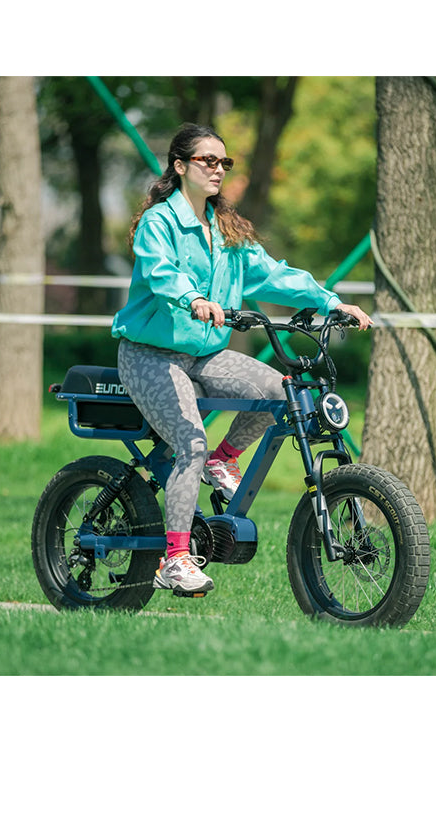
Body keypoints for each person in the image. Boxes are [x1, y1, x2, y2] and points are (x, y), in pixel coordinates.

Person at [112, 123, 372, 597]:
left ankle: (224, 459)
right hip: (149, 355)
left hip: (205, 354)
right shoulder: (159, 224)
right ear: (180, 166)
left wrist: (331, 302)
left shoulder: (226, 231)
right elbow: (160, 272)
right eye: (208, 160)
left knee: (279, 390)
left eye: (223, 162)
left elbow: (276, 275)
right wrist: (192, 297)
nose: (218, 169)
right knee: (188, 440)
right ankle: (174, 559)